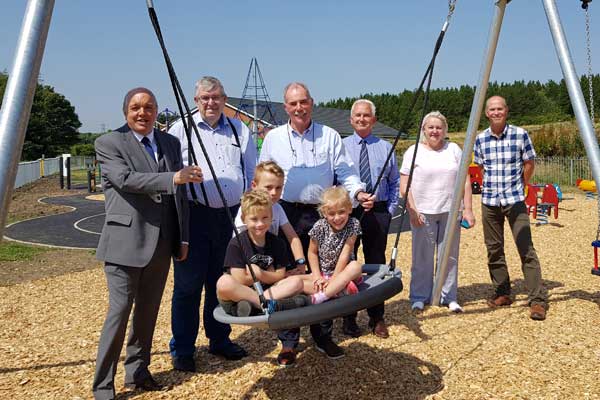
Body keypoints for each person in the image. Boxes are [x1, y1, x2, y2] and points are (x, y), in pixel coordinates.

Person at [92, 87, 201, 400]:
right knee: (120, 310)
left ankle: (138, 372)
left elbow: (178, 196)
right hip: (125, 242)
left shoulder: (169, 142)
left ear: (156, 111)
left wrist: (182, 237)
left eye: (149, 107)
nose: (143, 113)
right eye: (136, 108)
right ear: (126, 111)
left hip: (162, 242)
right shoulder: (109, 142)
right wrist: (173, 178)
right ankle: (103, 386)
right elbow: (125, 179)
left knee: (148, 312)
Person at [259, 82, 374, 366]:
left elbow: (345, 171)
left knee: (322, 274)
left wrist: (357, 193)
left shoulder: (330, 135)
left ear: (311, 103)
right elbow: (263, 176)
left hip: (323, 216)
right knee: (289, 272)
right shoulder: (273, 138)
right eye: (293, 103)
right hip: (284, 213)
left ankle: (323, 335)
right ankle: (288, 340)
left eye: (303, 102)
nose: (299, 108)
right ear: (285, 107)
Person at [168, 76, 257, 372]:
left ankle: (219, 338)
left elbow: (249, 171)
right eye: (205, 98)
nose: (211, 102)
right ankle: (183, 348)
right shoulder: (181, 129)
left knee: (221, 283)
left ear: (224, 98)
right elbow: (169, 174)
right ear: (196, 101)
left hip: (229, 216)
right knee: (188, 285)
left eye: (216, 97)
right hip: (194, 217)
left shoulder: (238, 128)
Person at [474, 95, 547, 321]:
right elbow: (481, 167)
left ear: (506, 111)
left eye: (500, 109)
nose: (496, 113)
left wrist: (521, 185)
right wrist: (491, 186)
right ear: (487, 113)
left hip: (514, 200)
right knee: (494, 249)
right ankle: (503, 292)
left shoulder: (520, 134)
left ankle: (537, 300)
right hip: (490, 201)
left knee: (526, 248)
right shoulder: (481, 139)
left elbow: (529, 163)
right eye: (492, 109)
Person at [400, 111, 475, 314]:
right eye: (431, 127)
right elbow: (404, 184)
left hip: (450, 210)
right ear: (424, 129)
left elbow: (465, 180)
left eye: (439, 127)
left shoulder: (454, 149)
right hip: (423, 210)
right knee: (422, 256)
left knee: (449, 256)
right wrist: (412, 210)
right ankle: (419, 296)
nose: (435, 131)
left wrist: (468, 209)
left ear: (445, 130)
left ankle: (448, 296)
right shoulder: (413, 151)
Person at [341, 99, 400, 339]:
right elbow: (337, 180)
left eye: (367, 116)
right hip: (350, 213)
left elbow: (395, 181)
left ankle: (377, 317)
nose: (362, 119)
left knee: (376, 263)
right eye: (358, 115)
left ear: (374, 120)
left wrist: (391, 209)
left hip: (378, 213)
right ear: (351, 119)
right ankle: (349, 317)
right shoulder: (341, 147)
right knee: (348, 263)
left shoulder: (386, 148)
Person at [216, 190, 309, 316]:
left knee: (296, 282)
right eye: (254, 219)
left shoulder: (277, 243)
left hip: (266, 291)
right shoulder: (236, 243)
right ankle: (274, 305)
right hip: (238, 296)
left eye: (265, 218)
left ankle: (256, 307)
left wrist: (259, 273)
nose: (260, 224)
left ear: (272, 217)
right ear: (244, 219)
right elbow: (240, 279)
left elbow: (280, 275)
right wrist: (269, 274)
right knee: (224, 282)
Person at [233, 161, 305, 274]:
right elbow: (239, 242)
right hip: (249, 265)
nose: (274, 192)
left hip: (271, 263)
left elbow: (293, 237)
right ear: (254, 186)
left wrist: (300, 262)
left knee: (302, 281)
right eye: (268, 187)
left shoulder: (277, 209)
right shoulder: (246, 209)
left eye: (278, 188)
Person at [303, 186, 364, 305]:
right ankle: (341, 289)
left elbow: (345, 254)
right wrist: (316, 276)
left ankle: (322, 296)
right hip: (324, 272)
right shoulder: (319, 226)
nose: (337, 218)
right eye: (331, 214)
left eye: (341, 212)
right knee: (294, 281)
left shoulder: (353, 224)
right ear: (324, 213)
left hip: (344, 272)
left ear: (350, 209)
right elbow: (312, 252)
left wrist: (334, 280)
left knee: (355, 266)